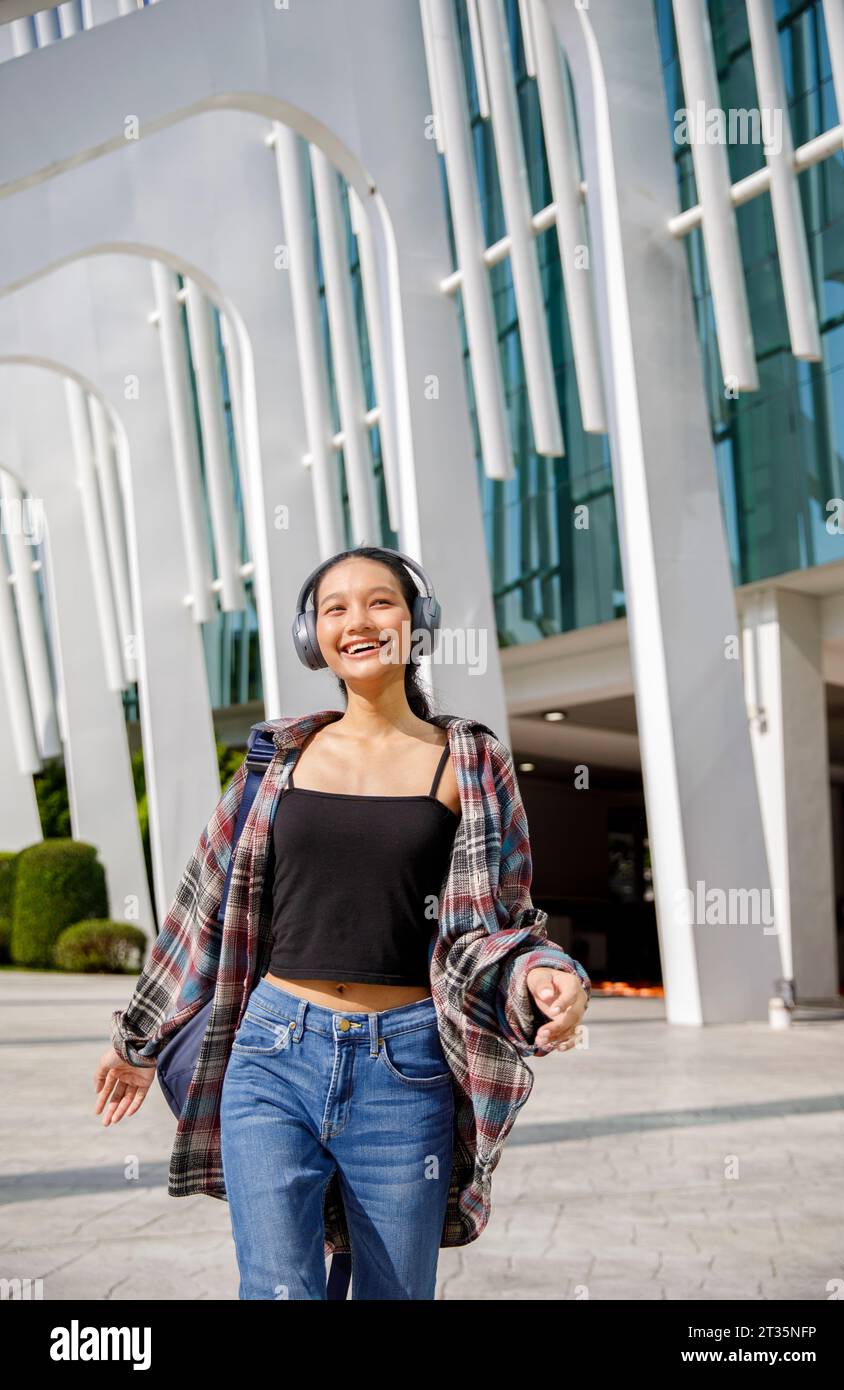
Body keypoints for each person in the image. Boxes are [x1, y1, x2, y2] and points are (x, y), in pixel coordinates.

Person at [94, 545, 590, 1300]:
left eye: (380, 602)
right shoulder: (278, 758)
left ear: (417, 622)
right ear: (313, 636)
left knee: (393, 1291)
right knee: (277, 1288)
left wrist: (548, 973)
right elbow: (201, 906)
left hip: (406, 1065)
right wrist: (138, 1041)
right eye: (335, 608)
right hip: (271, 1052)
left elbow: (498, 922)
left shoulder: (469, 762)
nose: (358, 620)